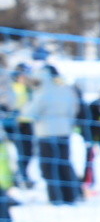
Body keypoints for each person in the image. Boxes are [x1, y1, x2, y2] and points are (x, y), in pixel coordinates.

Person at [25, 66, 81, 205]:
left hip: (46, 133)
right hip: (64, 131)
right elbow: (73, 109)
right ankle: (70, 196)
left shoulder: (42, 93)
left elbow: (30, 112)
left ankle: (55, 197)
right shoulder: (65, 90)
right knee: (64, 163)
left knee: (49, 167)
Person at [10, 66, 36, 190]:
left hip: (28, 123)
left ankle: (20, 176)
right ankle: (21, 178)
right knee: (23, 152)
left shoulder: (29, 88)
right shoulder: (14, 88)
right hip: (19, 124)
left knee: (28, 152)